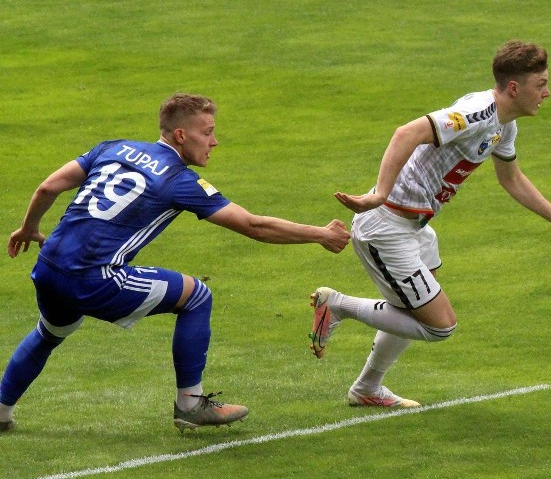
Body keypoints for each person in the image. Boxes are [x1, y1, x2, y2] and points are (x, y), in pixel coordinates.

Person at [0, 93, 350, 433]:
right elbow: (252, 225)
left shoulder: (113, 148)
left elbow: (47, 188)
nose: (214, 141)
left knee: (50, 333)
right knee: (196, 296)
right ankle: (190, 404)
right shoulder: (179, 181)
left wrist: (29, 229)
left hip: (48, 267)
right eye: (207, 132)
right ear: (181, 135)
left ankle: (1, 411)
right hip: (94, 277)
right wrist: (319, 234)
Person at [307, 40, 551, 408]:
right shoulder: (477, 113)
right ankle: (340, 306)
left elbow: (512, 179)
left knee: (412, 309)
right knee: (439, 325)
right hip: (386, 225)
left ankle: (367, 389)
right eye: (540, 84)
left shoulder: (503, 125)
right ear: (513, 88)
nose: (547, 92)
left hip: (415, 227)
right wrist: (379, 193)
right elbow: (405, 133)